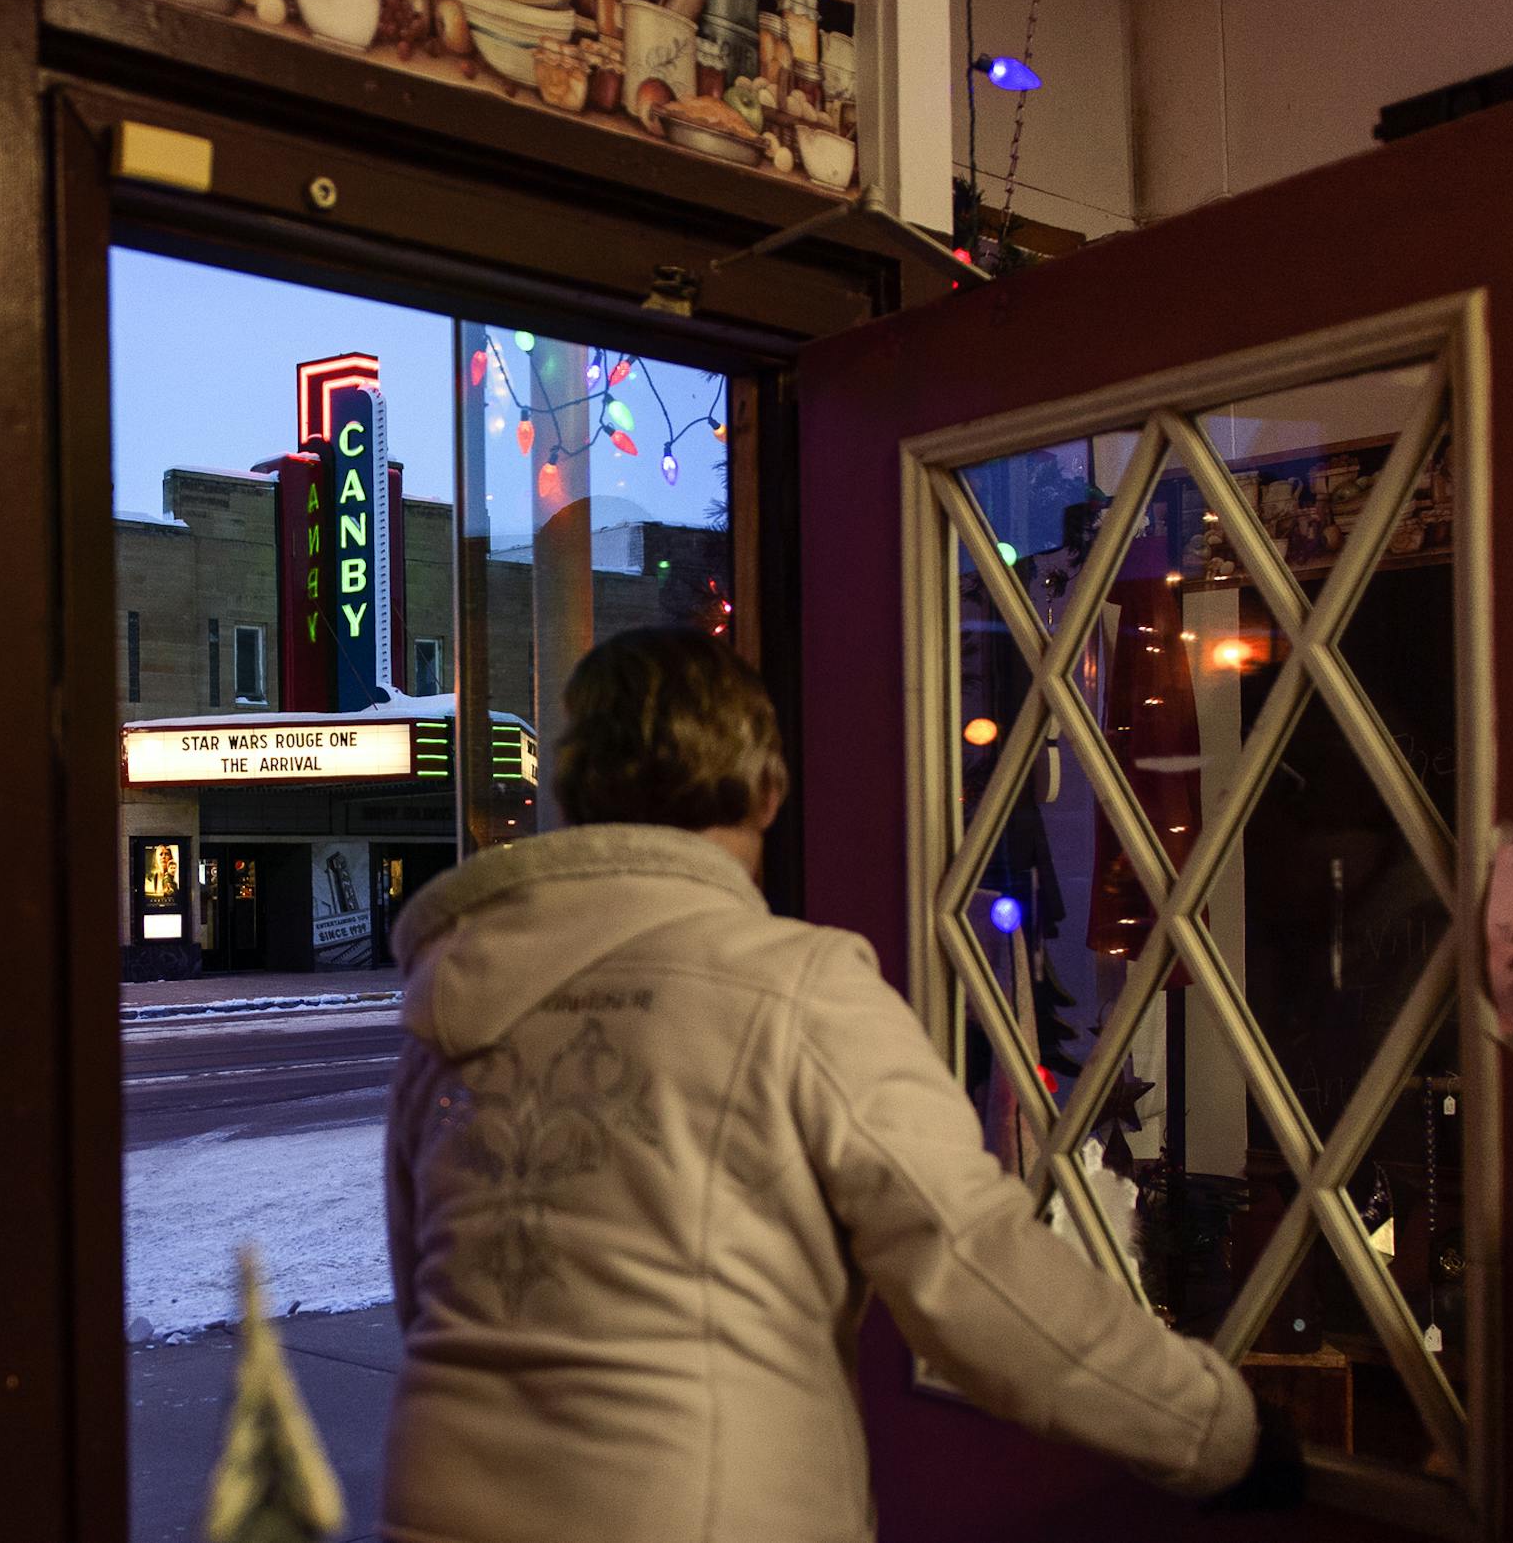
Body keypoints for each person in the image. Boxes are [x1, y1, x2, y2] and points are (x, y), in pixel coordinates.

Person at [378, 626, 1302, 1542]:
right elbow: (977, 1272)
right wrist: (1219, 1434)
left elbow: (431, 1287)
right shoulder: (793, 989)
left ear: (571, 794)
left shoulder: (459, 1000)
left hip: (436, 1497)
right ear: (768, 791)